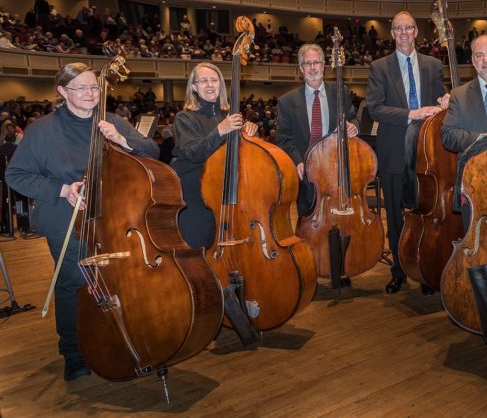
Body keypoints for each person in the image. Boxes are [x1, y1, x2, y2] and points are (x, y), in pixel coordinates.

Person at [4, 62, 159, 381]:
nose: (90, 94)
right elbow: (15, 174)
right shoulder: (42, 130)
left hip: (115, 217)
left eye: (94, 88)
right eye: (82, 88)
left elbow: (152, 151)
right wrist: (61, 189)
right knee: (75, 284)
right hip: (67, 220)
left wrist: (121, 138)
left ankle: (119, 339)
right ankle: (74, 353)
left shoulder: (112, 121)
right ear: (62, 92)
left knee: (118, 281)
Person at [366, 11, 449, 294]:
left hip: (426, 153)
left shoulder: (433, 65)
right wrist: (412, 113)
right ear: (393, 34)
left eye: (409, 28)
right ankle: (399, 271)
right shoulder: (379, 67)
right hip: (392, 150)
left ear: (416, 32)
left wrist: (446, 100)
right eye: (398, 28)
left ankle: (425, 271)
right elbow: (374, 108)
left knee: (426, 212)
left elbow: (440, 101)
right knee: (395, 215)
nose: (404, 33)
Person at [171, 62, 256, 249]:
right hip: (197, 197)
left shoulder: (231, 115)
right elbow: (193, 152)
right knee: (200, 248)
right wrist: (220, 131)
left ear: (220, 84)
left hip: (228, 194)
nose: (210, 85)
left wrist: (250, 135)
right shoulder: (184, 118)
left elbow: (245, 156)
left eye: (214, 80)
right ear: (194, 87)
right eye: (203, 81)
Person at [275, 43, 359, 217]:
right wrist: (298, 162)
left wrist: (353, 126)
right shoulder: (287, 101)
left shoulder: (340, 92)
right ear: (301, 68)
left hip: (337, 170)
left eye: (316, 62)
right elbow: (283, 138)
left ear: (323, 66)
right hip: (306, 172)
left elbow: (353, 118)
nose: (312, 67)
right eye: (307, 63)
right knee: (309, 224)